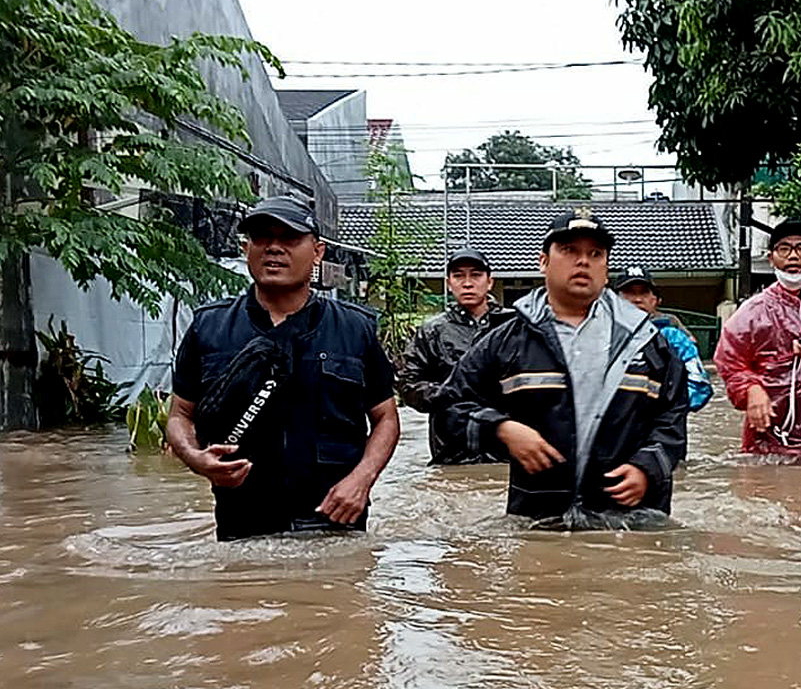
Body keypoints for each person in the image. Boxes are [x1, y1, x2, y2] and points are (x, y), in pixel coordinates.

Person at [433, 208, 689, 527]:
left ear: (606, 269)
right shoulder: (507, 341)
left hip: (633, 525)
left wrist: (647, 466)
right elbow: (448, 406)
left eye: (595, 254)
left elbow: (674, 415)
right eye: (569, 251)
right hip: (540, 523)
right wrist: (501, 428)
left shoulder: (648, 344)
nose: (583, 261)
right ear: (543, 261)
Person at [166, 195, 400, 541]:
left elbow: (386, 418)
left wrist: (362, 479)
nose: (274, 248)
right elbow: (179, 415)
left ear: (317, 251)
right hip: (242, 529)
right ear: (246, 249)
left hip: (335, 525)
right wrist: (195, 457)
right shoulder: (209, 328)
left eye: (289, 238)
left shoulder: (355, 329)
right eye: (261, 238)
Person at [713, 219, 801, 459]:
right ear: (771, 258)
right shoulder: (753, 311)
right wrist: (751, 389)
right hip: (767, 430)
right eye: (784, 248)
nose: (793, 256)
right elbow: (729, 361)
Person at [400, 247, 516, 464]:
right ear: (448, 283)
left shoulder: (513, 327)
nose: (468, 283)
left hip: (507, 448)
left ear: (489, 282)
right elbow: (408, 385)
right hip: (452, 449)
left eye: (476, 275)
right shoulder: (433, 331)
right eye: (459, 275)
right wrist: (445, 393)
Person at [616, 265, 714, 412]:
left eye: (644, 292)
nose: (637, 299)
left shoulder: (674, 339)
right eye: (629, 293)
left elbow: (699, 385)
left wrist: (669, 411)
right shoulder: (602, 337)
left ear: (655, 299)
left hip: (661, 428)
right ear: (615, 299)